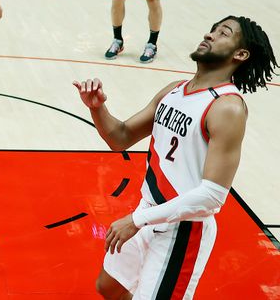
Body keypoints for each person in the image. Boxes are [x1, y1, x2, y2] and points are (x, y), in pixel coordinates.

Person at [74, 16, 276, 299]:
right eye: (212, 29)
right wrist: (97, 109)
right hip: (149, 211)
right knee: (108, 287)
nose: (210, 34)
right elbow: (119, 137)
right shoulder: (174, 91)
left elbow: (212, 197)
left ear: (240, 54)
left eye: (223, 33)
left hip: (183, 232)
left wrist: (138, 219)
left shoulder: (227, 107)